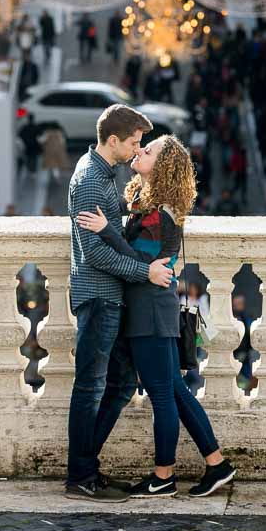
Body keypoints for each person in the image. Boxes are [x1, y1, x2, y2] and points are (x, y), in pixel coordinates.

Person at [79, 134, 236, 498]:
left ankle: (163, 476)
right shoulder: (144, 202)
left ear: (162, 167)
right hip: (151, 306)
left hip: (150, 310)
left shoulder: (158, 213)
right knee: (176, 392)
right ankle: (217, 464)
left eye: (147, 150)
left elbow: (138, 261)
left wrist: (106, 230)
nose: (139, 150)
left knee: (162, 395)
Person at [65, 105, 175, 502]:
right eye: (133, 142)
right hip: (99, 296)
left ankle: (86, 467)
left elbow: (109, 240)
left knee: (121, 382)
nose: (136, 149)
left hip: (109, 297)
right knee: (91, 387)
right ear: (113, 140)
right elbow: (95, 253)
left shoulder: (100, 173)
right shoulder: (92, 181)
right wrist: (144, 272)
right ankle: (80, 475)